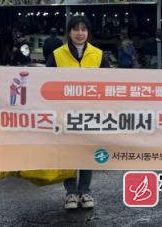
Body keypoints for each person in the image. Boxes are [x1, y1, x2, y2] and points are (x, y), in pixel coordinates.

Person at [45, 15, 110, 210]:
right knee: (69, 153)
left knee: (87, 151)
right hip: (65, 114)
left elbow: (109, 83)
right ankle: (71, 193)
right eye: (75, 29)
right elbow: (46, 82)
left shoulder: (99, 55)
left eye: (83, 29)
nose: (80, 33)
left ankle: (85, 191)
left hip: (91, 113)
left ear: (88, 33)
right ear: (69, 32)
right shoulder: (57, 55)